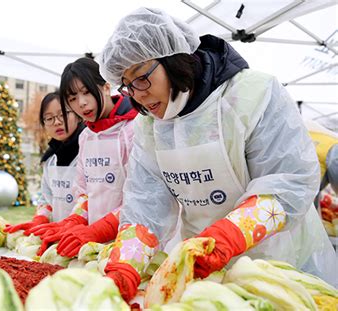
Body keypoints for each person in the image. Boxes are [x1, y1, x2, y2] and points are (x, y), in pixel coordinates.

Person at [97, 7, 337, 301]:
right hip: (205, 274)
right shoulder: (149, 127)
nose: (138, 94)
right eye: (127, 85)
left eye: (141, 78)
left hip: (280, 269)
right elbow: (146, 203)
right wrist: (126, 264)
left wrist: (228, 235)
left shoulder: (253, 95)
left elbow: (289, 182)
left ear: (172, 59)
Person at [25, 57, 138, 257]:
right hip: (94, 247)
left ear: (105, 86)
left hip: (134, 245)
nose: (82, 103)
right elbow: (85, 192)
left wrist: (98, 230)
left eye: (86, 92)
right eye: (72, 98)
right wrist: (73, 221)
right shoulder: (86, 136)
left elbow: (140, 198)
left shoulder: (134, 129)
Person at [4, 92, 85, 237]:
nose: (57, 122)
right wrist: (40, 219)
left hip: (85, 237)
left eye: (63, 115)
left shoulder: (90, 151)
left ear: (78, 115)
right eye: (49, 118)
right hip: (58, 237)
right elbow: (46, 198)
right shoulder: (50, 160)